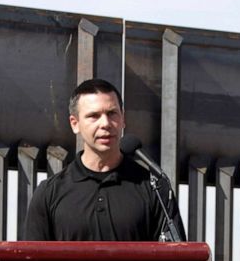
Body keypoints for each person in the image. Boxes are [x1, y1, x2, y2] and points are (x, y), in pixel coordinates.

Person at [23, 78, 185, 241]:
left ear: (123, 119)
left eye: (112, 113)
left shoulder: (155, 188)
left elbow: (178, 259)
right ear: (75, 124)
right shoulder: (49, 193)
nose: (105, 124)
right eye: (94, 116)